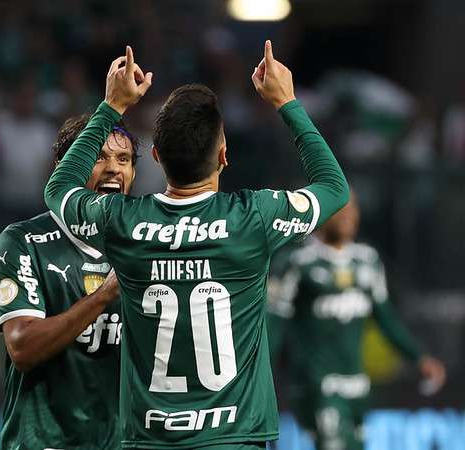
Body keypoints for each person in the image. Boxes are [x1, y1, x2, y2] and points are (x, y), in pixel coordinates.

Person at [43, 42, 349, 449]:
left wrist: (112, 106)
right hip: (235, 439)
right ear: (224, 155)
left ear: (153, 155)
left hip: (151, 441)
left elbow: (59, 188)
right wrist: (286, 102)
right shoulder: (254, 217)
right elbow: (332, 185)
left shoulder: (124, 221)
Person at [0, 113, 139, 450]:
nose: (114, 168)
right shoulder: (23, 241)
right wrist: (104, 296)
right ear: (67, 167)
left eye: (124, 159)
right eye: (99, 157)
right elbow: (23, 347)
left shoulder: (143, 244)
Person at [267, 193, 446, 450]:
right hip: (318, 385)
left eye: (353, 207)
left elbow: (386, 318)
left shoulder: (368, 261)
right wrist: (257, 380)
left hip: (357, 385)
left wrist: (418, 357)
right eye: (341, 207)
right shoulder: (296, 263)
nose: (348, 214)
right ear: (323, 212)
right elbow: (273, 327)